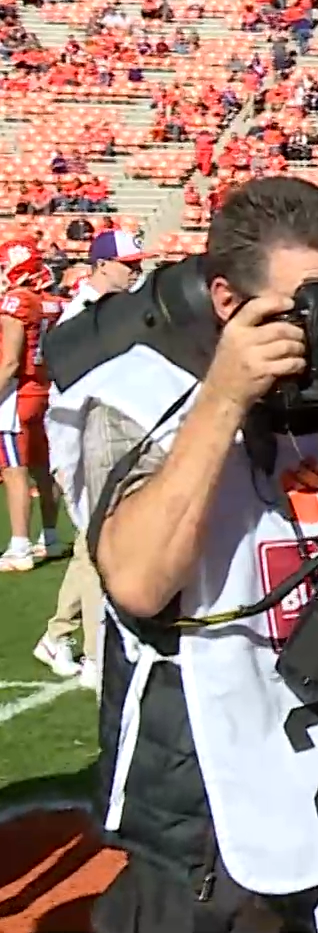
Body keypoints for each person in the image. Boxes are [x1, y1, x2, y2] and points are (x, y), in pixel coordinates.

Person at [47, 177, 318, 930]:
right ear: (228, 303)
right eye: (305, 307)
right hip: (206, 803)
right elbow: (139, 583)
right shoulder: (134, 395)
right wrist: (224, 396)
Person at [31, 228, 148, 687]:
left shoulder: (113, 313)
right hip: (85, 446)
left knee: (90, 549)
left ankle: (57, 635)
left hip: (111, 442)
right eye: (128, 264)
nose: (136, 272)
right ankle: (98, 656)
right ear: (101, 266)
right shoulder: (81, 319)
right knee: (102, 549)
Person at [0, 237, 62, 572]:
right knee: (42, 468)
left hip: (17, 394)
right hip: (43, 389)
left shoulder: (15, 302)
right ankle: (49, 537)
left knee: (15, 470)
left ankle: (20, 545)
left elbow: (10, 362)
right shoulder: (50, 302)